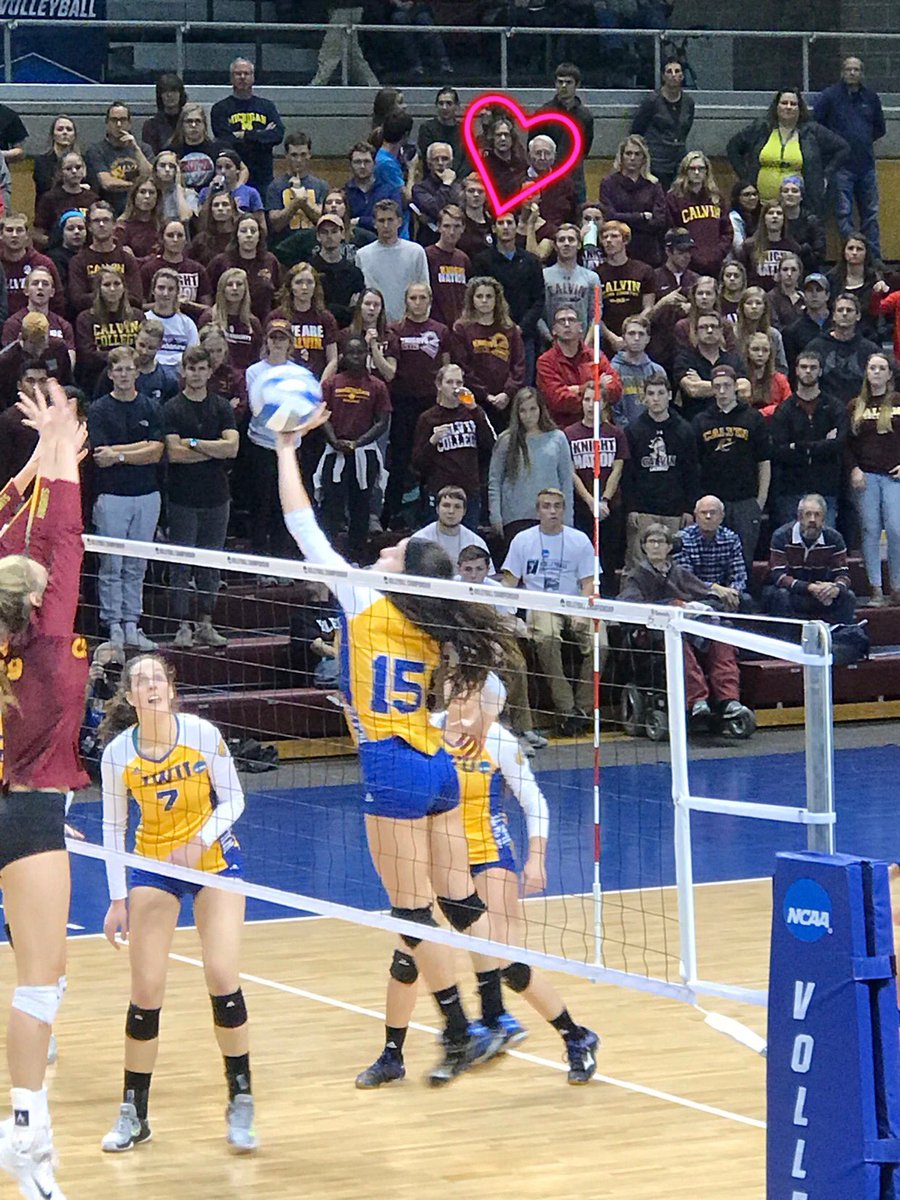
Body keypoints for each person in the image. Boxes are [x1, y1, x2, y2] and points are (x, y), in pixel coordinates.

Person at [277, 407, 522, 1085]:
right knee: (460, 902)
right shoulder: (433, 624)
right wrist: (469, 703)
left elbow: (304, 529)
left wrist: (285, 450)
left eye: (391, 551)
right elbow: (475, 666)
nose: (382, 549)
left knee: (412, 915)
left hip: (391, 763)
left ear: (398, 572)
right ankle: (493, 1013)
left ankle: (457, 1028)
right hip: (437, 764)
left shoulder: (364, 600)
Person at [354, 706, 598, 1088]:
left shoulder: (498, 739)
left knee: (505, 960)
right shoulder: (426, 730)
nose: (463, 699)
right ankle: (393, 1055)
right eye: (457, 690)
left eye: (474, 695)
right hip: (437, 857)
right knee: (408, 955)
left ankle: (574, 1036)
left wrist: (536, 858)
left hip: (485, 854)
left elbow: (533, 800)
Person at [99, 656, 257, 1153]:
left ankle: (241, 1098)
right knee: (146, 988)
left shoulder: (202, 734)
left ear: (171, 689)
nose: (150, 686)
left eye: (157, 678)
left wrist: (199, 840)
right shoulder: (117, 755)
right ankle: (134, 1113)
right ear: (130, 697)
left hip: (212, 861)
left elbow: (234, 800)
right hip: (153, 863)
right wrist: (116, 897)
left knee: (221, 975)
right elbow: (111, 829)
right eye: (139, 680)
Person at [0, 381, 87, 1200]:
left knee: (39, 984)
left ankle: (28, 1144)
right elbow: (65, 538)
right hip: (29, 812)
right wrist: (61, 456)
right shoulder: (52, 643)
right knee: (39, 984)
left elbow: (33, 531)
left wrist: (46, 458)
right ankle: (25, 1136)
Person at [619, 522, 753, 726]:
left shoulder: (679, 573)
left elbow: (706, 594)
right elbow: (629, 605)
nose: (656, 546)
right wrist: (672, 606)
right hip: (655, 632)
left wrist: (700, 606)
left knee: (721, 638)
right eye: (651, 542)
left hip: (691, 626)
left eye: (661, 542)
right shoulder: (636, 576)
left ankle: (729, 699)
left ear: (670, 547)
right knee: (677, 641)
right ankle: (697, 699)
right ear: (644, 547)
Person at [500, 487, 596, 734]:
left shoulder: (580, 539)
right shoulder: (523, 540)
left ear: (564, 510)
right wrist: (505, 614)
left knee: (601, 642)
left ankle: (583, 710)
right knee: (547, 638)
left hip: (575, 603)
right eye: (546, 506)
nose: (552, 511)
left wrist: (583, 612)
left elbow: (589, 583)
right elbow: (509, 581)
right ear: (538, 510)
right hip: (541, 604)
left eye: (557, 506)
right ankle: (567, 710)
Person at [88, 344, 164, 650]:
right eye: (117, 369)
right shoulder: (99, 409)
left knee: (137, 564)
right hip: (112, 496)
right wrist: (138, 449)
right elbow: (100, 456)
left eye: (128, 369)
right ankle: (113, 625)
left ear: (137, 372)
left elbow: (157, 451)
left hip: (147, 494)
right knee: (112, 564)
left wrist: (120, 453)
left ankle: (133, 622)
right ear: (110, 374)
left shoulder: (150, 407)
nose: (123, 374)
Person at [163, 344, 238, 648]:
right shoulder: (171, 408)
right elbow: (174, 454)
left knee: (210, 564)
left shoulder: (221, 407)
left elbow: (232, 448)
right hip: (182, 498)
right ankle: (182, 625)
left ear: (210, 371)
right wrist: (211, 448)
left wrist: (193, 442)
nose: (195, 374)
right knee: (180, 565)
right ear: (183, 371)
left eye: (201, 368)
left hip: (217, 498)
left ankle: (206, 623)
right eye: (190, 368)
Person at [316, 334, 392, 561]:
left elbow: (382, 421)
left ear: (367, 355)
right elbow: (321, 414)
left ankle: (357, 557)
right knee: (331, 506)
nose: (356, 357)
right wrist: (333, 441)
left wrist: (358, 443)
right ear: (343, 356)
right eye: (351, 353)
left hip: (363, 454)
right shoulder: (331, 383)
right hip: (335, 452)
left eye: (360, 353)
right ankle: (329, 556)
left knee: (361, 507)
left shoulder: (377, 386)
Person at [726, 88, 849, 218]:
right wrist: (746, 177)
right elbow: (733, 147)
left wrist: (825, 176)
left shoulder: (812, 131)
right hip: (761, 206)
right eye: (784, 103)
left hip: (800, 208)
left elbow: (843, 148)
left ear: (800, 108)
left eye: (793, 104)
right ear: (776, 106)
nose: (788, 107)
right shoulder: (761, 128)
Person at [693, 364, 771, 567]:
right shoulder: (701, 421)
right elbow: (695, 465)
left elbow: (764, 462)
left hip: (745, 502)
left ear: (735, 386)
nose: (721, 391)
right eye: (716, 386)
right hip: (713, 500)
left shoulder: (753, 418)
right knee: (710, 559)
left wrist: (759, 501)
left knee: (743, 559)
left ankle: (742, 597)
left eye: (726, 385)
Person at [813, 56, 885, 262]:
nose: (852, 73)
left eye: (856, 70)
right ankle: (851, 259)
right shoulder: (829, 96)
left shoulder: (871, 97)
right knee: (843, 214)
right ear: (842, 72)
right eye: (848, 69)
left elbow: (879, 128)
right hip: (840, 167)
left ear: (862, 73)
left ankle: (874, 261)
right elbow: (816, 127)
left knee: (871, 215)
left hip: (866, 165)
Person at [623, 371, 698, 567]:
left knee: (674, 564)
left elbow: (691, 472)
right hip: (644, 511)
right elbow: (628, 474)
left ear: (670, 395)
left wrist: (689, 509)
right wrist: (632, 508)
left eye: (660, 393)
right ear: (644, 397)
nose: (656, 399)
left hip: (675, 511)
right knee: (639, 565)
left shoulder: (685, 430)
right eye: (651, 393)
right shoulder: (633, 431)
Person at [769, 349, 846, 528]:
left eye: (813, 367)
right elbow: (779, 451)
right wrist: (822, 444)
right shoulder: (784, 410)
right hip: (791, 489)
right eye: (804, 367)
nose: (808, 371)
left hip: (826, 487)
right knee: (791, 544)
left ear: (820, 371)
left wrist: (797, 446)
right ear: (796, 370)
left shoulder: (834, 407)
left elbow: (838, 444)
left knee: (825, 543)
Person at [846, 352, 900, 605]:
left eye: (881, 368)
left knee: (896, 529)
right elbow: (845, 444)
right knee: (869, 530)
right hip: (865, 475)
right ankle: (875, 587)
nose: (876, 372)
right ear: (866, 373)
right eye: (872, 368)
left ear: (890, 374)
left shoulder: (899, 402)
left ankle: (897, 585)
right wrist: (853, 469)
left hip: (893, 476)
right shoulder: (855, 405)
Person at [412, 361, 495, 521]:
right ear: (439, 385)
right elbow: (417, 463)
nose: (455, 387)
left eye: (459, 382)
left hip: (469, 493)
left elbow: (491, 444)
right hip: (440, 493)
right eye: (449, 382)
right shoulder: (428, 418)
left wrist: (475, 409)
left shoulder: (473, 412)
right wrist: (432, 442)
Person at [488, 386, 573, 541]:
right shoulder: (506, 440)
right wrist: (495, 515)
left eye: (533, 409)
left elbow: (566, 480)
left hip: (550, 516)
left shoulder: (558, 438)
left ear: (541, 409)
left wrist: (567, 519)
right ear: (517, 413)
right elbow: (495, 480)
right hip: (515, 518)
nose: (528, 415)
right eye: (523, 410)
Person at [564, 377, 628, 575]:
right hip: (582, 509)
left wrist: (604, 500)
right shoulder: (569, 433)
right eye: (587, 400)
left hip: (610, 508)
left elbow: (617, 469)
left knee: (607, 563)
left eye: (597, 400)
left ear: (605, 404)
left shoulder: (615, 434)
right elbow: (571, 472)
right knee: (582, 560)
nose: (591, 405)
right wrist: (591, 502)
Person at [763, 493, 857, 623]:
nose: (812, 520)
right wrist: (810, 587)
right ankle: (786, 641)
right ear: (799, 517)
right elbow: (778, 576)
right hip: (791, 591)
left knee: (848, 596)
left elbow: (843, 574)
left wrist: (835, 588)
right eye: (808, 514)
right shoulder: (781, 536)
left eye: (817, 515)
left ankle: (840, 639)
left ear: (824, 518)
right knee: (780, 595)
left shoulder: (834, 538)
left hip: (820, 593)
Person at [451, 276, 524, 432]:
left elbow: (518, 365)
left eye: (489, 296)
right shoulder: (461, 328)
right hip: (475, 401)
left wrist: (507, 393)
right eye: (479, 296)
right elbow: (462, 366)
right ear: (472, 299)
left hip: (506, 400)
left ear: (497, 300)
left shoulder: (510, 329)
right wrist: (485, 395)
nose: (484, 300)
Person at [536, 305, 621, 427]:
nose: (567, 324)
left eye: (571, 320)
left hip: (597, 428)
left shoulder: (596, 356)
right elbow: (558, 400)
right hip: (562, 430)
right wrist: (595, 385)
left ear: (580, 327)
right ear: (554, 330)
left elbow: (616, 389)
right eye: (561, 321)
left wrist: (575, 389)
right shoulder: (545, 362)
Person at [210, 58, 284, 193]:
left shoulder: (267, 106)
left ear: (253, 77)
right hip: (233, 179)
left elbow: (277, 135)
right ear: (231, 78)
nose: (242, 77)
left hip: (263, 177)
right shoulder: (220, 108)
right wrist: (261, 135)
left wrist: (244, 135)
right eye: (238, 74)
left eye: (246, 73)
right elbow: (225, 140)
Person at [599, 136, 668, 269]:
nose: (632, 158)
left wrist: (625, 218)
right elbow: (609, 217)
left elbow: (659, 221)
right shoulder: (609, 183)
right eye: (628, 153)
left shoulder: (653, 184)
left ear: (644, 158)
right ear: (621, 156)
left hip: (648, 251)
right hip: (618, 250)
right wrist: (641, 217)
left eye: (637, 154)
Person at [357, 199, 429, 324]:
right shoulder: (362, 255)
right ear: (374, 223)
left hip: (408, 325)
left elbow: (425, 290)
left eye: (390, 220)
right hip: (375, 324)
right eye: (381, 221)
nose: (386, 225)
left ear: (399, 222)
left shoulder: (416, 251)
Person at [68, 200, 143, 314]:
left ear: (114, 225)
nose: (101, 225)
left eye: (106, 220)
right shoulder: (78, 261)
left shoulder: (127, 259)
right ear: (89, 226)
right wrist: (114, 296)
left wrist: (104, 297)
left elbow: (137, 298)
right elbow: (78, 300)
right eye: (96, 221)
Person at [630, 59, 695, 192]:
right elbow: (637, 130)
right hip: (656, 162)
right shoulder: (652, 101)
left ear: (682, 76)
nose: (673, 75)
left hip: (678, 160)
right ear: (663, 76)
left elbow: (686, 129)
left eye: (677, 71)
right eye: (669, 71)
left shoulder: (688, 102)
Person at [806, 292, 880, 407]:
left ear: (858, 316)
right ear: (834, 315)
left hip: (861, 410)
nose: (844, 314)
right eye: (840, 310)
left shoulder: (870, 350)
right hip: (824, 411)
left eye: (849, 310)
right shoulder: (815, 347)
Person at [675, 495, 749, 611]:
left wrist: (733, 592)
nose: (708, 517)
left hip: (726, 594)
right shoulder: (683, 539)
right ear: (696, 516)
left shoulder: (731, 538)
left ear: (722, 516)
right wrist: (714, 589)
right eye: (703, 513)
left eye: (713, 513)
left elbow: (739, 575)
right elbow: (687, 579)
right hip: (695, 594)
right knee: (711, 604)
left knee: (746, 600)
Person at [666, 152, 733, 279]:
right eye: (692, 168)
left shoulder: (716, 198)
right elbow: (673, 230)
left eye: (701, 168)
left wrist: (718, 253)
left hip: (715, 262)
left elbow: (727, 231)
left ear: (707, 171)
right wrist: (691, 255)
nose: (697, 172)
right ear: (685, 171)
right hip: (688, 264)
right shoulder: (674, 198)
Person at [74, 269, 143, 392]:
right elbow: (88, 356)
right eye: (107, 285)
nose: (112, 289)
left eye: (117, 284)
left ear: (124, 288)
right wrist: (125, 355)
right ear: (98, 289)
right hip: (96, 381)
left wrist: (104, 353)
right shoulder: (85, 319)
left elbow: (142, 351)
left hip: (132, 380)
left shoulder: (137, 316)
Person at [673, 309, 746, 423]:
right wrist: (729, 386)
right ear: (695, 332)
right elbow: (693, 389)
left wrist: (702, 384)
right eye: (704, 327)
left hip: (733, 422)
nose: (710, 330)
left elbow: (745, 389)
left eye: (714, 326)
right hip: (696, 423)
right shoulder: (685, 359)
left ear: (721, 331)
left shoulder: (734, 358)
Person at [537, 63, 594, 205]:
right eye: (560, 82)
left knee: (579, 215)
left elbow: (585, 148)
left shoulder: (585, 116)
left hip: (576, 177)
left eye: (568, 82)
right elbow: (534, 146)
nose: (563, 86)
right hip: (549, 177)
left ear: (577, 85)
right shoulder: (543, 113)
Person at [208, 213, 281, 323]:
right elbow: (208, 293)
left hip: (264, 323)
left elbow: (279, 295)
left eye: (253, 231)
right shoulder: (221, 262)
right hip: (227, 323)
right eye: (243, 231)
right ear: (236, 235)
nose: (249, 235)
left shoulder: (270, 261)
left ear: (259, 235)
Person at [85, 102, 153, 218]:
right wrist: (137, 186)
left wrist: (136, 149)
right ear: (107, 123)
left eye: (123, 120)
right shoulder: (96, 150)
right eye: (114, 120)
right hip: (110, 212)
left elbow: (151, 177)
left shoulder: (144, 149)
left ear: (130, 123)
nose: (119, 124)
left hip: (141, 212)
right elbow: (107, 183)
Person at [1, 268, 74, 371]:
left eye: (45, 284)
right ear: (26, 290)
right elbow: (8, 360)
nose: (40, 287)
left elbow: (70, 363)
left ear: (52, 292)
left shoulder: (64, 325)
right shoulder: (13, 324)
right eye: (35, 283)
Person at [265, 131, 329, 245]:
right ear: (286, 155)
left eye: (303, 154)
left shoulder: (321, 186)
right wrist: (295, 204)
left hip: (314, 246)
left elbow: (324, 221)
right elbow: (275, 225)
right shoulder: (275, 187)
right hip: (284, 246)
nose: (299, 160)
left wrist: (303, 203)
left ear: (309, 154)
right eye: (294, 155)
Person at [139, 219, 212, 319]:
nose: (175, 239)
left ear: (186, 240)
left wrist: (189, 304)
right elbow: (140, 307)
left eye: (180, 235)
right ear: (161, 239)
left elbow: (207, 308)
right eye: (170, 235)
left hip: (191, 323)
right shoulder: (148, 269)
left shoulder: (197, 269)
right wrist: (168, 303)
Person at [198, 268, 263, 375]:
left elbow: (256, 359)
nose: (234, 288)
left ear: (245, 289)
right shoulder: (209, 318)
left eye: (239, 284)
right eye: (229, 284)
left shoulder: (253, 323)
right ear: (222, 289)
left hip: (244, 378)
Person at [414, 484, 493, 568]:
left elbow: (488, 576)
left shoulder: (476, 542)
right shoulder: (419, 540)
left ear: (464, 511)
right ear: (437, 509)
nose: (451, 511)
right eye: (446, 506)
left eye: (457, 507)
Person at [32, 152, 98, 250]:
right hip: (57, 252)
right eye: (68, 168)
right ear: (60, 172)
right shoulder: (49, 198)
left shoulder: (92, 199)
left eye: (78, 167)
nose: (74, 171)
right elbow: (37, 234)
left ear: (84, 170)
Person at [0, 213, 62, 319]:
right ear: (1, 235)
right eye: (9, 230)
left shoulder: (43, 263)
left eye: (19, 230)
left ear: (26, 235)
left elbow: (57, 300)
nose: (14, 235)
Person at [541, 223, 600, 334]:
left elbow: (596, 315)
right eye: (562, 240)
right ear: (555, 246)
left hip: (583, 344)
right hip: (550, 343)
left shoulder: (593, 278)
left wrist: (586, 344)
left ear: (579, 245)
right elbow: (538, 313)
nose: (566, 243)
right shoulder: (543, 276)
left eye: (571, 239)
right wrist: (549, 338)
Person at [609, 313, 663, 430]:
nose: (636, 338)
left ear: (648, 339)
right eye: (631, 334)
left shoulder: (657, 370)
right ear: (623, 337)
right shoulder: (613, 369)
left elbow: (663, 405)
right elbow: (613, 408)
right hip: (624, 432)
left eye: (641, 334)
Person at [828, 232, 885, 340]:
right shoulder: (832, 278)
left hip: (869, 336)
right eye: (850, 248)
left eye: (859, 249)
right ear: (844, 252)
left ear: (866, 253)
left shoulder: (875, 279)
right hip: (838, 335)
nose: (854, 252)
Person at [169, 102, 233, 196]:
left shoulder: (219, 148)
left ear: (204, 125)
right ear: (181, 125)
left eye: (198, 121)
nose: (193, 125)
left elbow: (243, 170)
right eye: (189, 121)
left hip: (213, 198)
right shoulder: (171, 151)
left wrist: (236, 189)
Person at [309, 3, 380, 87]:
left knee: (330, 52)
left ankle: (317, 84)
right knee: (352, 53)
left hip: (343, 9)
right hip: (347, 8)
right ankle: (373, 85)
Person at [738, 202, 802, 293]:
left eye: (779, 213)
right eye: (771, 213)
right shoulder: (749, 246)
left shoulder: (793, 247)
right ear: (764, 218)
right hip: (757, 298)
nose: (775, 216)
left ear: (784, 219)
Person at [411, 142, 463, 248]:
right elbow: (436, 209)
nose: (440, 163)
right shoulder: (419, 189)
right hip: (429, 243)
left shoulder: (460, 187)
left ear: (451, 163)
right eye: (436, 159)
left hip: (458, 244)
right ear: (429, 163)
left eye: (444, 159)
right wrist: (446, 184)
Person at [144, 267, 200, 365]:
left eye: (171, 289)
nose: (165, 293)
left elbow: (193, 357)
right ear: (153, 290)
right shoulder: (144, 319)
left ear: (177, 293)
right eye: (161, 288)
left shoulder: (187, 324)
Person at [778, 176, 826, 275]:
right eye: (786, 191)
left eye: (794, 191)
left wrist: (803, 251)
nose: (790, 194)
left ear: (801, 196)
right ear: (780, 195)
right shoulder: (773, 218)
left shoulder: (812, 221)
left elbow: (819, 255)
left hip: (807, 271)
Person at [782, 272, 832, 365]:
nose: (814, 294)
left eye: (819, 290)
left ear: (827, 295)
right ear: (803, 295)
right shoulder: (792, 331)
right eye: (809, 290)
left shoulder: (837, 325)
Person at [197, 150, 264, 217]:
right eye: (219, 168)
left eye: (228, 167)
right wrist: (210, 193)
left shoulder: (250, 192)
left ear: (237, 170)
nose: (223, 171)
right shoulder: (205, 192)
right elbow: (200, 220)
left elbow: (260, 221)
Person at [417, 88, 468, 176]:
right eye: (441, 103)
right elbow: (429, 159)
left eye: (449, 103)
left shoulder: (464, 130)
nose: (444, 107)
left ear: (457, 106)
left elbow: (467, 161)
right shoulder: (427, 128)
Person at [32, 114, 79, 202]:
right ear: (53, 135)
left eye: (69, 129)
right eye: (60, 129)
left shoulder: (82, 161)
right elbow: (46, 187)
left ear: (74, 135)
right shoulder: (41, 161)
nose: (65, 132)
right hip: (48, 208)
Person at [745, 330, 790, 421]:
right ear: (748, 351)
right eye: (755, 349)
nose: (760, 354)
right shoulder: (741, 378)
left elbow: (788, 406)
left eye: (765, 350)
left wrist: (764, 412)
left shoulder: (780, 380)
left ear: (770, 353)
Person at [116, 176, 163, 260]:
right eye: (142, 192)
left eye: (151, 192)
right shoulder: (122, 226)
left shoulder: (163, 225)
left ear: (157, 197)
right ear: (134, 196)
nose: (147, 196)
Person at [189, 190, 239, 267]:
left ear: (232, 209)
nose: (220, 208)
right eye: (216, 205)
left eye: (225, 204)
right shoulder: (201, 240)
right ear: (211, 210)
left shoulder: (239, 237)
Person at [140, 72, 186, 155]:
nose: (169, 95)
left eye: (174, 91)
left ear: (181, 94)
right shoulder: (151, 126)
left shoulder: (189, 120)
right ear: (160, 96)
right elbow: (150, 156)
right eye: (165, 91)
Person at [767, 252, 806, 331]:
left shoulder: (804, 298)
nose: (789, 274)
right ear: (779, 272)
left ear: (799, 273)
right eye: (785, 269)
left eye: (793, 270)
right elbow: (774, 325)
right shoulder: (771, 297)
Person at [727, 179, 760, 259]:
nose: (752, 198)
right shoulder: (734, 217)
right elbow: (739, 248)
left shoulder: (760, 215)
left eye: (755, 194)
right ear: (737, 198)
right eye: (747, 195)